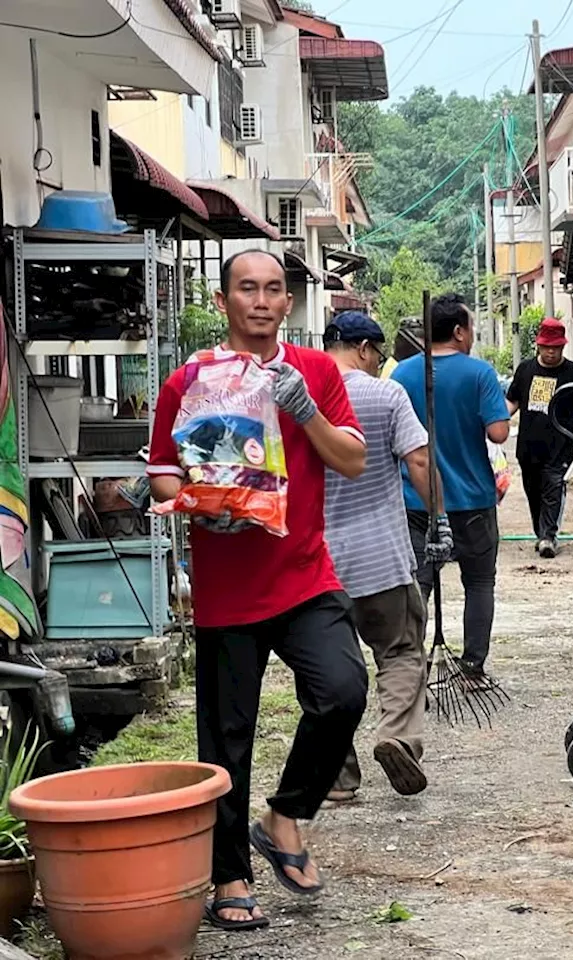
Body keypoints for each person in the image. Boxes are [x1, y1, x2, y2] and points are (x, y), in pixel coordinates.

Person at [147, 250, 369, 931]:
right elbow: (163, 472)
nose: (263, 300)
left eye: (275, 289)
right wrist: (197, 502)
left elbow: (353, 460)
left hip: (305, 574)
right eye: (248, 288)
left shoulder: (318, 373)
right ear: (224, 301)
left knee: (343, 691)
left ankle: (284, 816)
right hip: (226, 588)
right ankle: (229, 877)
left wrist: (304, 412)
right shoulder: (189, 381)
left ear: (288, 302)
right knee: (227, 738)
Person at [321, 312, 453, 803]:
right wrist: (439, 517)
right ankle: (396, 736)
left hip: (317, 564)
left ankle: (337, 777)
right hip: (381, 557)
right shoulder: (386, 395)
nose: (378, 363)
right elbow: (418, 459)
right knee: (399, 651)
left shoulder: (300, 397)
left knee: (330, 668)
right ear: (361, 348)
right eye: (377, 353)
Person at [391, 293, 509, 677]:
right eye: (471, 327)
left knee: (417, 586)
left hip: (415, 498)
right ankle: (473, 666)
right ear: (459, 331)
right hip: (471, 497)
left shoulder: (402, 375)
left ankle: (411, 671)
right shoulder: (479, 374)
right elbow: (498, 432)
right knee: (478, 582)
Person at [505, 317, 573, 559]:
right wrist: (495, 421)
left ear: (562, 347)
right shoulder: (525, 370)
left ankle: (548, 536)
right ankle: (541, 532)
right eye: (547, 347)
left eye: (555, 348)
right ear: (538, 345)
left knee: (554, 489)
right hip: (529, 447)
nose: (550, 352)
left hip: (560, 446)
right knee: (533, 492)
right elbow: (512, 400)